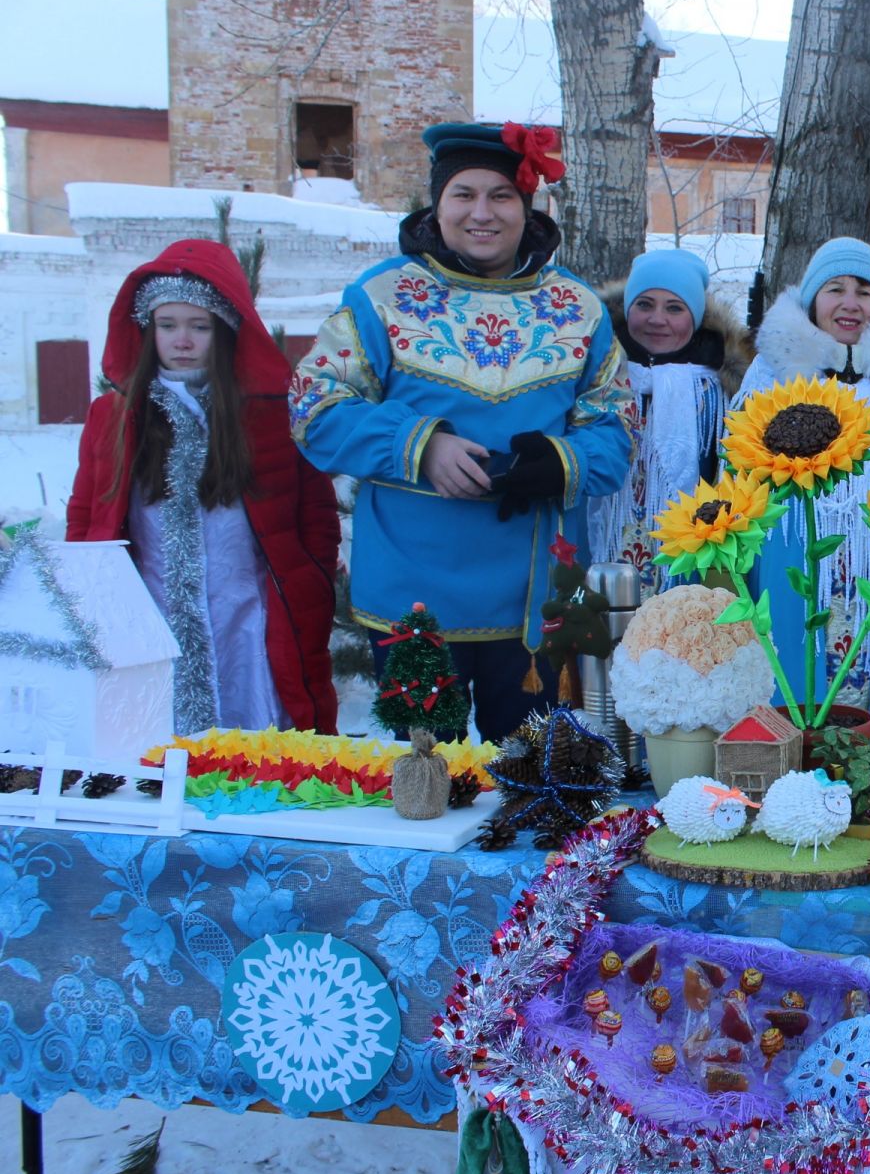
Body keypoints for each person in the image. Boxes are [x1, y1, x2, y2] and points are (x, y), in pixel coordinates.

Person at [289, 122, 635, 743]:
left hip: (534, 602)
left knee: (530, 790)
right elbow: (314, 407)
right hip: (413, 595)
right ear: (437, 204)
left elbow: (614, 427)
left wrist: (560, 463)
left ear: (526, 206)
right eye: (464, 194)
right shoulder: (383, 297)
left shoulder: (577, 308)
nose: (483, 213)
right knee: (429, 789)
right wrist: (420, 446)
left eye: (501, 195)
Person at [69, 239, 340, 734]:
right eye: (167, 325)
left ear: (225, 332)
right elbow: (86, 511)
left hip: (249, 613)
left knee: (255, 731)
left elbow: (316, 514)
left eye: (199, 326)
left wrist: (311, 580)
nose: (182, 340)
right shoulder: (113, 415)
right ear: (148, 331)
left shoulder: (268, 415)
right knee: (150, 734)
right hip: (149, 609)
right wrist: (87, 589)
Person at [737, 237, 870, 736]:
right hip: (790, 556)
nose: (850, 303)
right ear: (811, 301)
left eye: (865, 291)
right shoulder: (768, 383)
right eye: (835, 288)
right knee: (791, 668)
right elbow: (738, 480)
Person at [591, 246, 752, 590]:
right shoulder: (598, 376)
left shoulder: (721, 389)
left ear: (695, 317)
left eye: (675, 308)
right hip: (603, 554)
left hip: (689, 559)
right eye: (645, 305)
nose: (657, 319)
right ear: (627, 309)